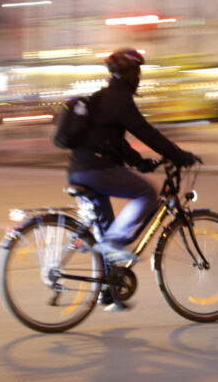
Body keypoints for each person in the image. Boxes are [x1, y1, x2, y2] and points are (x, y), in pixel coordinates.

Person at [67, 48, 197, 268]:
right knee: (145, 193)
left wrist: (139, 163)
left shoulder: (103, 97)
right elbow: (146, 133)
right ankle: (114, 243)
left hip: (79, 170)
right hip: (97, 170)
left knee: (106, 235)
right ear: (129, 74)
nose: (138, 77)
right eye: (137, 71)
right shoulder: (119, 99)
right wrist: (179, 155)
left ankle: (107, 290)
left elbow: (114, 141)